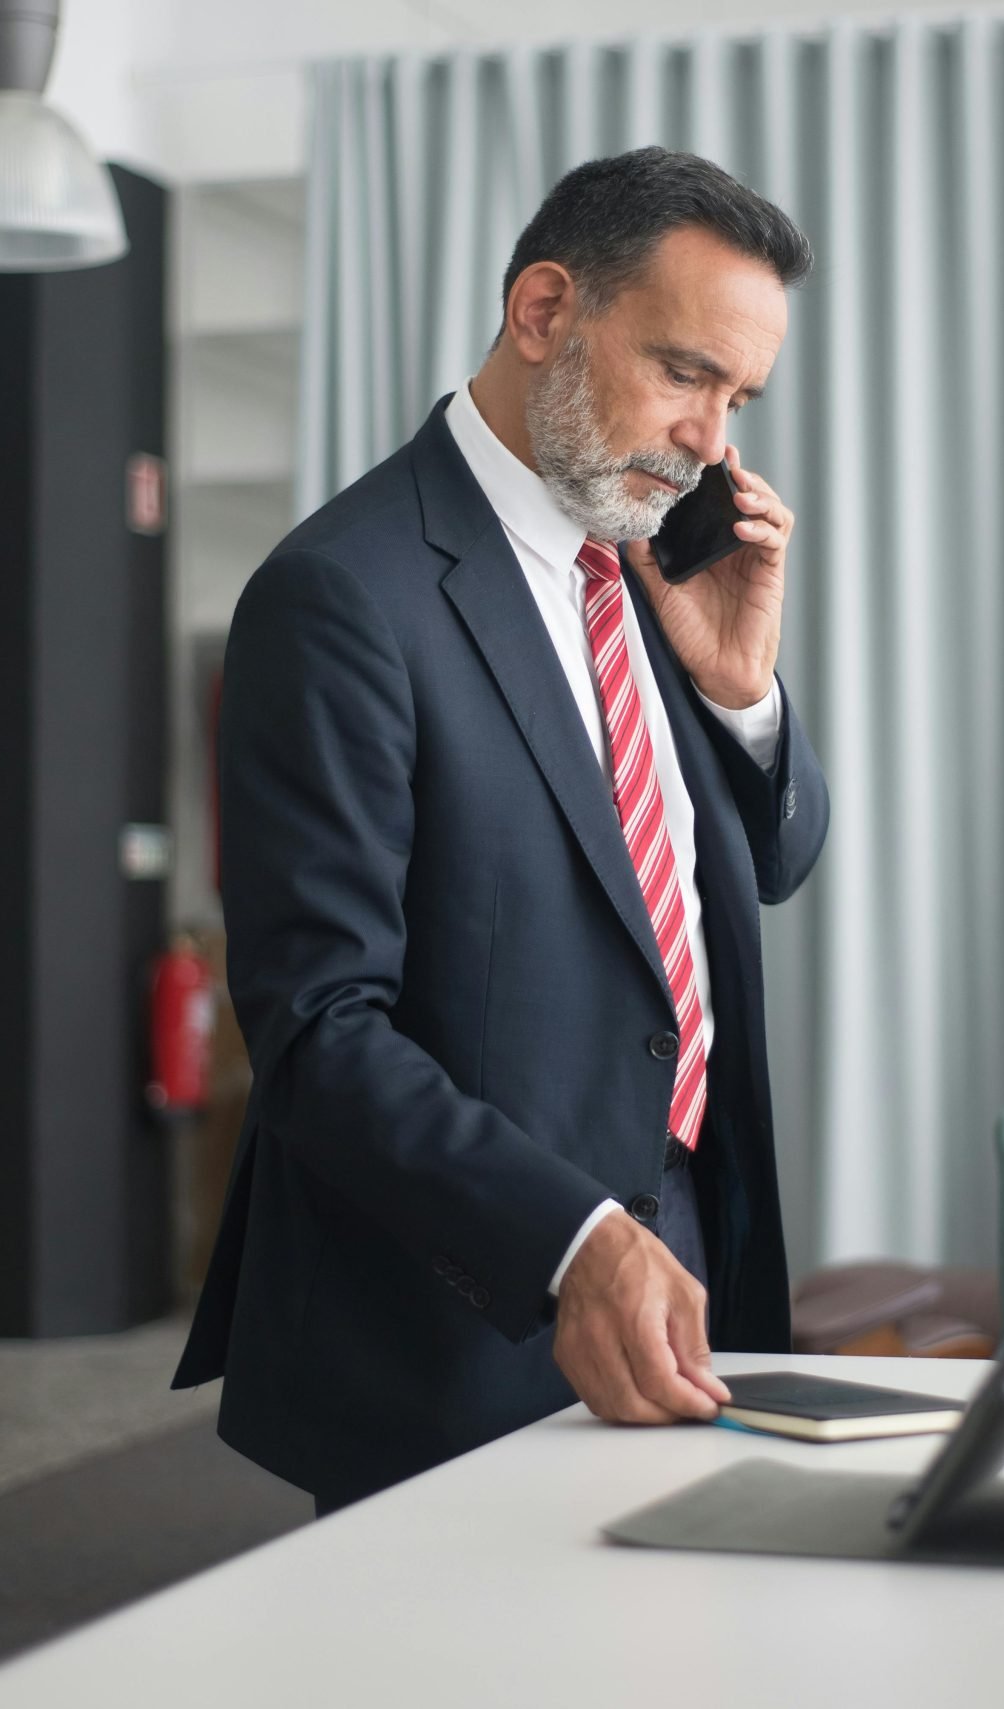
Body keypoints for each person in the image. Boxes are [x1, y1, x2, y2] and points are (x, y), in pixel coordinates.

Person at [172, 148, 830, 1513]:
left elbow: (764, 868)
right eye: (686, 373)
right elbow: (318, 1031)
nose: (713, 439)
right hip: (467, 1312)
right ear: (544, 312)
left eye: (740, 396)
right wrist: (573, 1238)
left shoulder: (651, 551)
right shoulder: (339, 596)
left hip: (687, 1260)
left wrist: (742, 689)